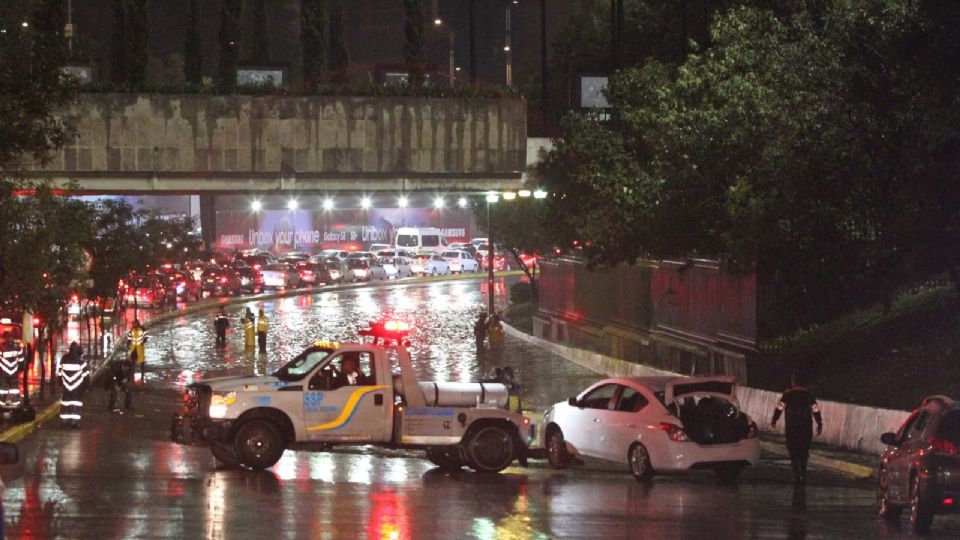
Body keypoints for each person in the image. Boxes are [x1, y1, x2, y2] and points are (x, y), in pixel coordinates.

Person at [772, 373, 823, 485]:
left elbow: (780, 407)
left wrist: (774, 419)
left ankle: (796, 476)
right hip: (806, 427)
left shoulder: (788, 394)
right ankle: (803, 475)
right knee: (804, 451)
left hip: (792, 427)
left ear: (794, 381)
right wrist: (819, 423)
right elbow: (816, 410)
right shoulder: (809, 395)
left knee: (793, 451)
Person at [58, 341, 89, 427]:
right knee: (75, 404)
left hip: (66, 387)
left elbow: (60, 372)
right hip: (77, 387)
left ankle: (64, 421)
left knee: (66, 404)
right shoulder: (81, 362)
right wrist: (86, 386)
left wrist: (61, 383)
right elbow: (86, 375)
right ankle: (74, 422)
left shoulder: (64, 359)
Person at [0, 331, 24, 407]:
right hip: (14, 371)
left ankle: (1, 403)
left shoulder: (1, 347)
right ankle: (15, 403)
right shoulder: (17, 347)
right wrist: (19, 368)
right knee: (14, 388)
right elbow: (21, 359)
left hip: (3, 372)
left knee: (3, 389)